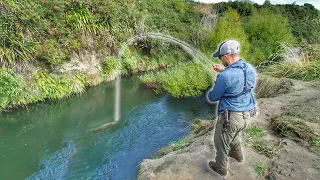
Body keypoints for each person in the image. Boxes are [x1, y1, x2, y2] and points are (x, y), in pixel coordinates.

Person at [206, 40, 257, 176]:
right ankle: (238, 156)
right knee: (234, 135)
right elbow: (240, 80)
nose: (220, 59)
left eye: (220, 57)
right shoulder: (250, 68)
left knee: (220, 141)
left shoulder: (225, 76)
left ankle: (220, 168)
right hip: (247, 115)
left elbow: (213, 97)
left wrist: (218, 82)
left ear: (227, 56)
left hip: (231, 117)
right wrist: (224, 71)